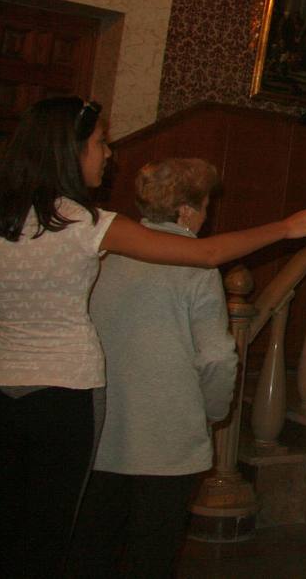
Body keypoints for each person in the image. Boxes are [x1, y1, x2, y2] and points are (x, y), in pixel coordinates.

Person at [0, 97, 306, 578]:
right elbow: (206, 253)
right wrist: (285, 227)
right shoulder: (84, 223)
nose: (108, 154)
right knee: (53, 532)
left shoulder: (13, 217)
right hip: (65, 394)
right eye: (98, 144)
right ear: (67, 151)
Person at [67, 157, 238, 577]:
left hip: (102, 433)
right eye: (203, 208)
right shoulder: (197, 268)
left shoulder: (104, 255)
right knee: (152, 558)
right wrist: (213, 411)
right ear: (184, 211)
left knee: (91, 552)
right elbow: (217, 357)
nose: (204, 218)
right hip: (169, 442)